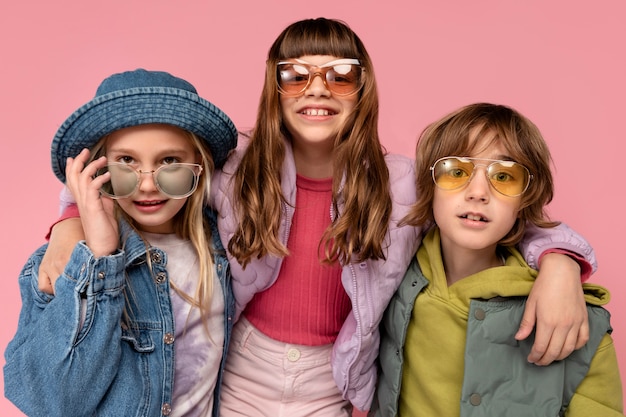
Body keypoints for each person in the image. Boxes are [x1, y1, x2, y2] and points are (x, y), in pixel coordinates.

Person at [40, 19, 595, 415]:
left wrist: (562, 265)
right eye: (296, 75)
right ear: (274, 86)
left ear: (363, 88)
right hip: (243, 368)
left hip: (336, 378)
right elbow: (140, 183)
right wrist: (68, 225)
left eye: (339, 75)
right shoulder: (234, 165)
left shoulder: (402, 181)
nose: (318, 90)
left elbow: (491, 208)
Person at [3, 69, 238, 417]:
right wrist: (99, 255)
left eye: (169, 161)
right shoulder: (68, 263)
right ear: (98, 169)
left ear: (199, 166)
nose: (147, 185)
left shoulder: (224, 246)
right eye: (127, 161)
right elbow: (48, 402)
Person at [371, 102, 623, 416]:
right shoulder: (385, 278)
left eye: (504, 176)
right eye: (456, 171)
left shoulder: (575, 321)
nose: (478, 192)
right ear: (428, 183)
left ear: (525, 199)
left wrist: (562, 265)